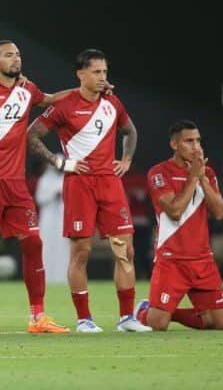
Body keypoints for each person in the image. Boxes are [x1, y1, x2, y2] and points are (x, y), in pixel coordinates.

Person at [26, 48, 151, 333]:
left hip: (110, 182)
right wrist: (59, 161)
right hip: (79, 183)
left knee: (125, 251)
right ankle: (84, 319)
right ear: (80, 74)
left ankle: (126, 318)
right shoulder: (64, 106)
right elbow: (31, 135)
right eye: (96, 72)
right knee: (81, 252)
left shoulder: (113, 102)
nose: (102, 78)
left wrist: (127, 159)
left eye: (105, 72)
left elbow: (130, 131)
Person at [0, 41, 70, 334]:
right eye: (9, 55)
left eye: (18, 54)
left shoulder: (27, 90)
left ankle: (38, 317)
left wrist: (85, 91)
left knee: (33, 241)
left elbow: (51, 99)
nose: (16, 59)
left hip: (15, 182)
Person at [135, 120, 223, 331]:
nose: (196, 146)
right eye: (189, 141)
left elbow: (220, 213)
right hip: (171, 260)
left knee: (219, 323)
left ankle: (165, 311)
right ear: (174, 145)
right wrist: (193, 177)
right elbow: (175, 211)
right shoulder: (159, 173)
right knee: (158, 325)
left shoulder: (208, 174)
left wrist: (202, 178)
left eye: (198, 141)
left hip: (202, 260)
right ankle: (145, 312)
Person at [35, 157, 69, 284]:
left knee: (62, 248)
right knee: (46, 247)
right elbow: (39, 198)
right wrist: (53, 195)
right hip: (48, 219)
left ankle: (62, 278)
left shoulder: (66, 179)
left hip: (61, 218)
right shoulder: (44, 180)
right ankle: (45, 278)